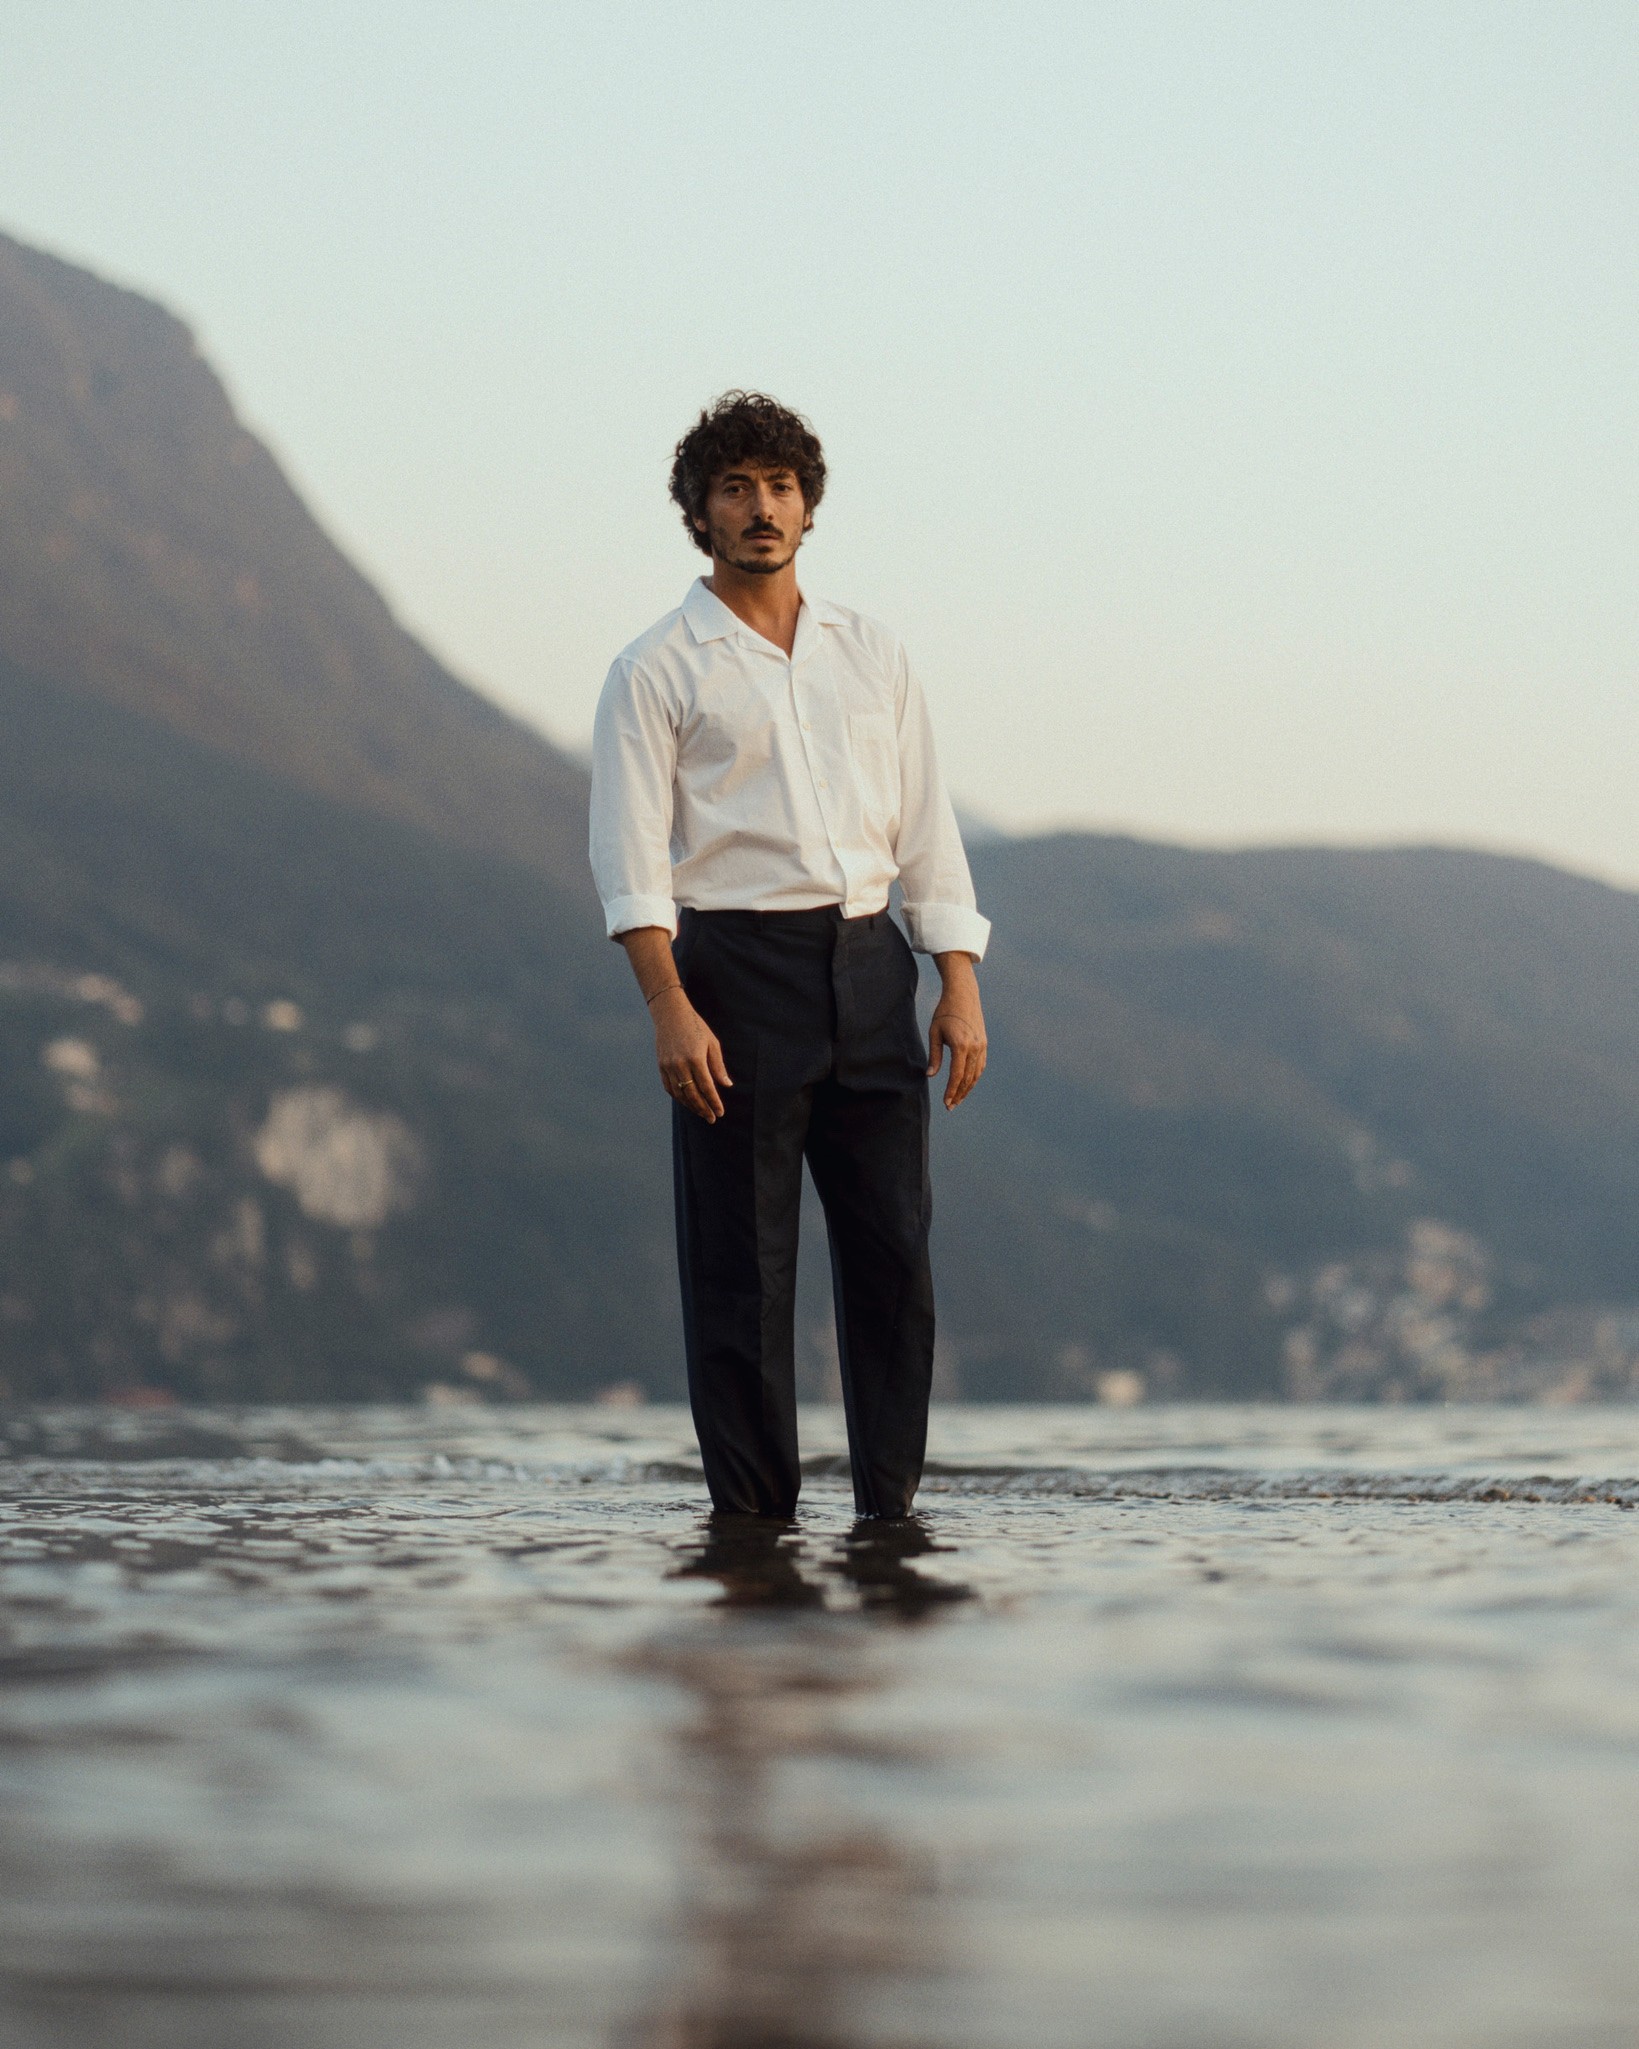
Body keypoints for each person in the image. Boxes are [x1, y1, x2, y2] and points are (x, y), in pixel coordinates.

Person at [589, 391, 990, 1519]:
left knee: (894, 1262)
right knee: (742, 1274)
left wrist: (956, 981)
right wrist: (669, 1005)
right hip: (735, 977)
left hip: (874, 974)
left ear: (809, 505)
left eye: (778, 485)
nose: (760, 507)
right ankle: (754, 1530)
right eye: (733, 488)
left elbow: (926, 828)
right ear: (699, 515)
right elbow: (629, 862)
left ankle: (889, 1515)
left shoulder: (873, 654)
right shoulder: (657, 667)